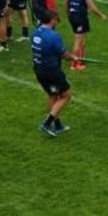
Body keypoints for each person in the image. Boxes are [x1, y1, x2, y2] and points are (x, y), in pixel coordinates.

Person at [30, 9, 74, 137]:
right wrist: (73, 57)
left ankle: (57, 125)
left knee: (52, 95)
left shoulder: (35, 33)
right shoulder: (53, 36)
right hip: (51, 71)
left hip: (39, 68)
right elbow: (63, 54)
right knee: (66, 95)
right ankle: (47, 123)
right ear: (52, 20)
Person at [65, 0, 108, 70]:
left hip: (72, 15)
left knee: (82, 38)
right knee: (78, 40)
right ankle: (74, 64)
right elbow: (91, 7)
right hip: (80, 17)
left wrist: (68, 14)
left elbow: (65, 2)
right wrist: (101, 15)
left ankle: (80, 59)